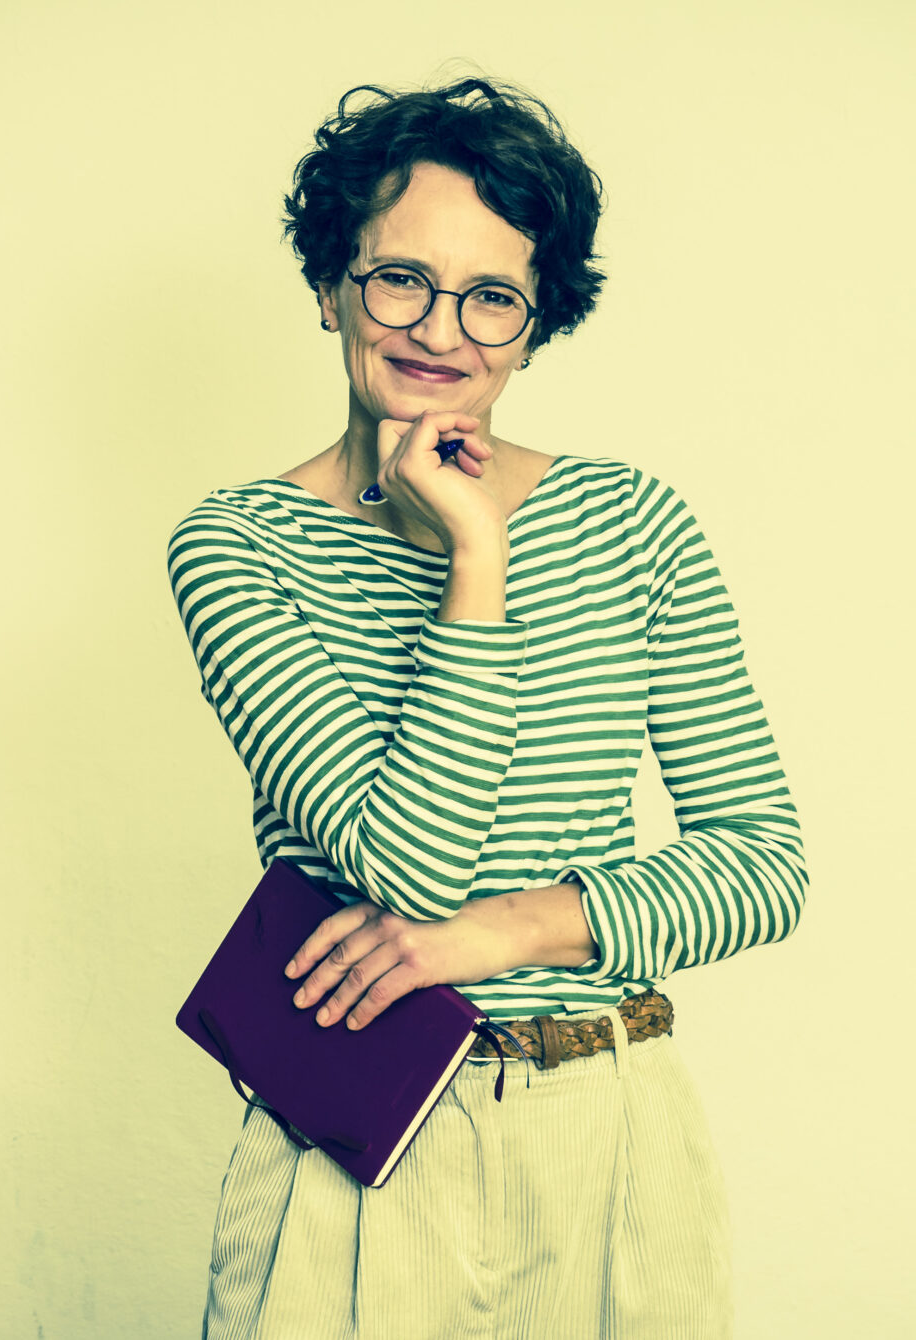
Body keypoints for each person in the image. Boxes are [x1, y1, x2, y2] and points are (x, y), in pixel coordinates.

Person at [165, 75, 807, 1340]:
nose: (439, 329)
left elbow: (765, 865)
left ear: (535, 323)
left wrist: (499, 933)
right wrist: (476, 556)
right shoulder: (238, 546)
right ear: (330, 284)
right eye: (399, 277)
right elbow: (408, 864)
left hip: (615, 1134)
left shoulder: (635, 523)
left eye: (492, 297)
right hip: (358, 1144)